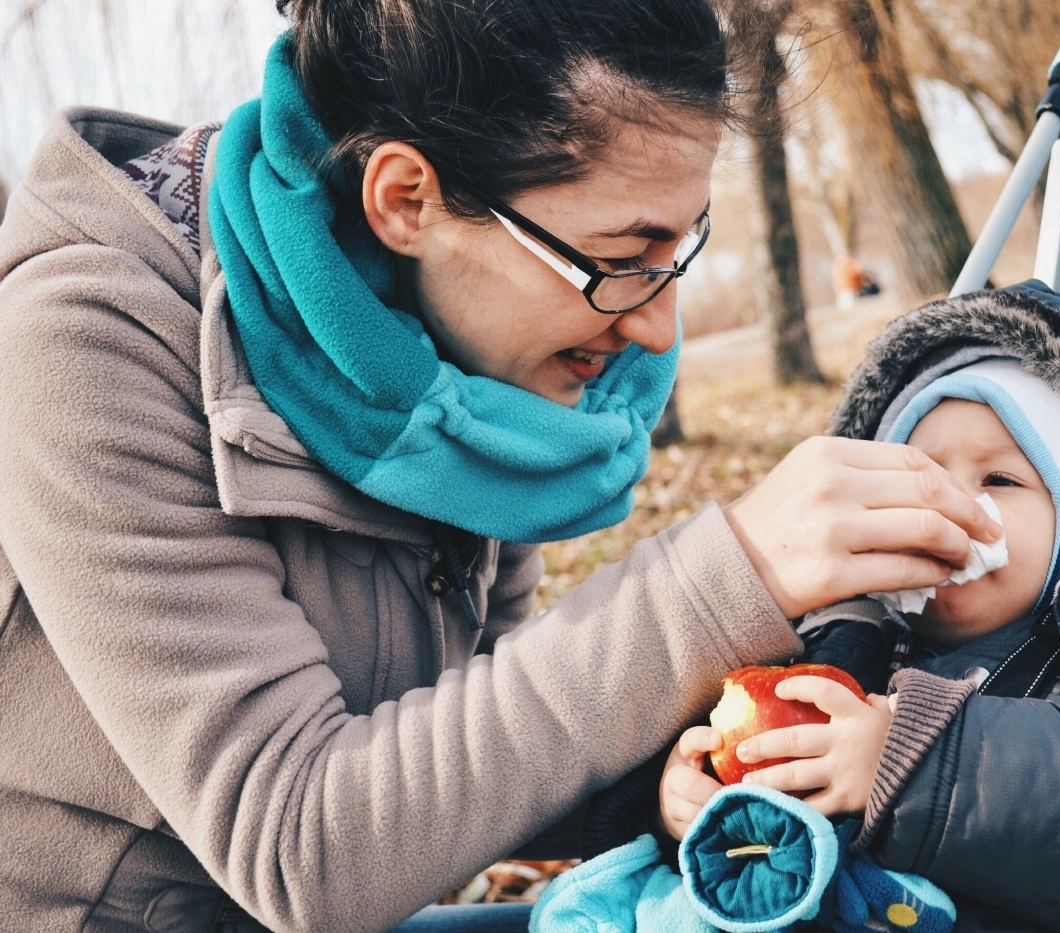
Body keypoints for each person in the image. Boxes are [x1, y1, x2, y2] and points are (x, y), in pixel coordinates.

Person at [0, 3, 1004, 932]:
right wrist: (727, 575)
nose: (656, 325)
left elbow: (476, 734)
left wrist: (668, 782)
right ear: (406, 200)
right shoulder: (88, 340)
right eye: (624, 254)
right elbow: (302, 848)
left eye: (678, 249)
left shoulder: (457, 355)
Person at [646, 283, 1060, 931]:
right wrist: (706, 811)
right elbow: (776, 844)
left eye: (998, 480)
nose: (943, 508)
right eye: (915, 478)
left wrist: (912, 763)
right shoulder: (845, 637)